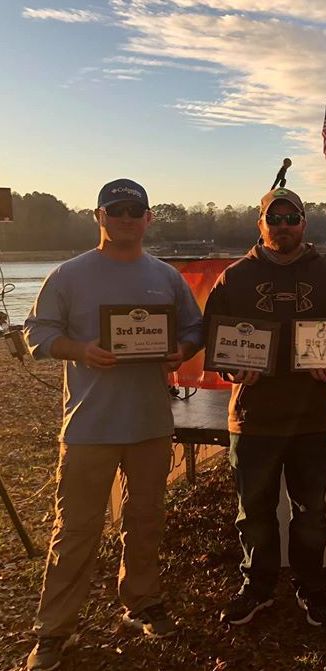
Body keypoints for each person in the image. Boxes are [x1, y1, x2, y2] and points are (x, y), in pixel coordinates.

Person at [23, 178, 203, 671]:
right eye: (115, 210)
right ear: (98, 216)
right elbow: (37, 333)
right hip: (89, 427)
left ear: (148, 219)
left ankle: (141, 602)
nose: (125, 218)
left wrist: (181, 350)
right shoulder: (68, 274)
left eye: (134, 211)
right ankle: (54, 630)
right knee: (75, 530)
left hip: (150, 423)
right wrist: (81, 350)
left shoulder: (165, 276)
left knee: (145, 521)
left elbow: (193, 328)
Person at [205, 187, 326, 628]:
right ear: (261, 224)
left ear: (304, 224)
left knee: (310, 513)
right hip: (252, 419)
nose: (283, 226)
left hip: (310, 418)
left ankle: (311, 587)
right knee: (253, 513)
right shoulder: (234, 277)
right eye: (274, 219)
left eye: (291, 218)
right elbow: (214, 338)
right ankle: (256, 587)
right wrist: (232, 369)